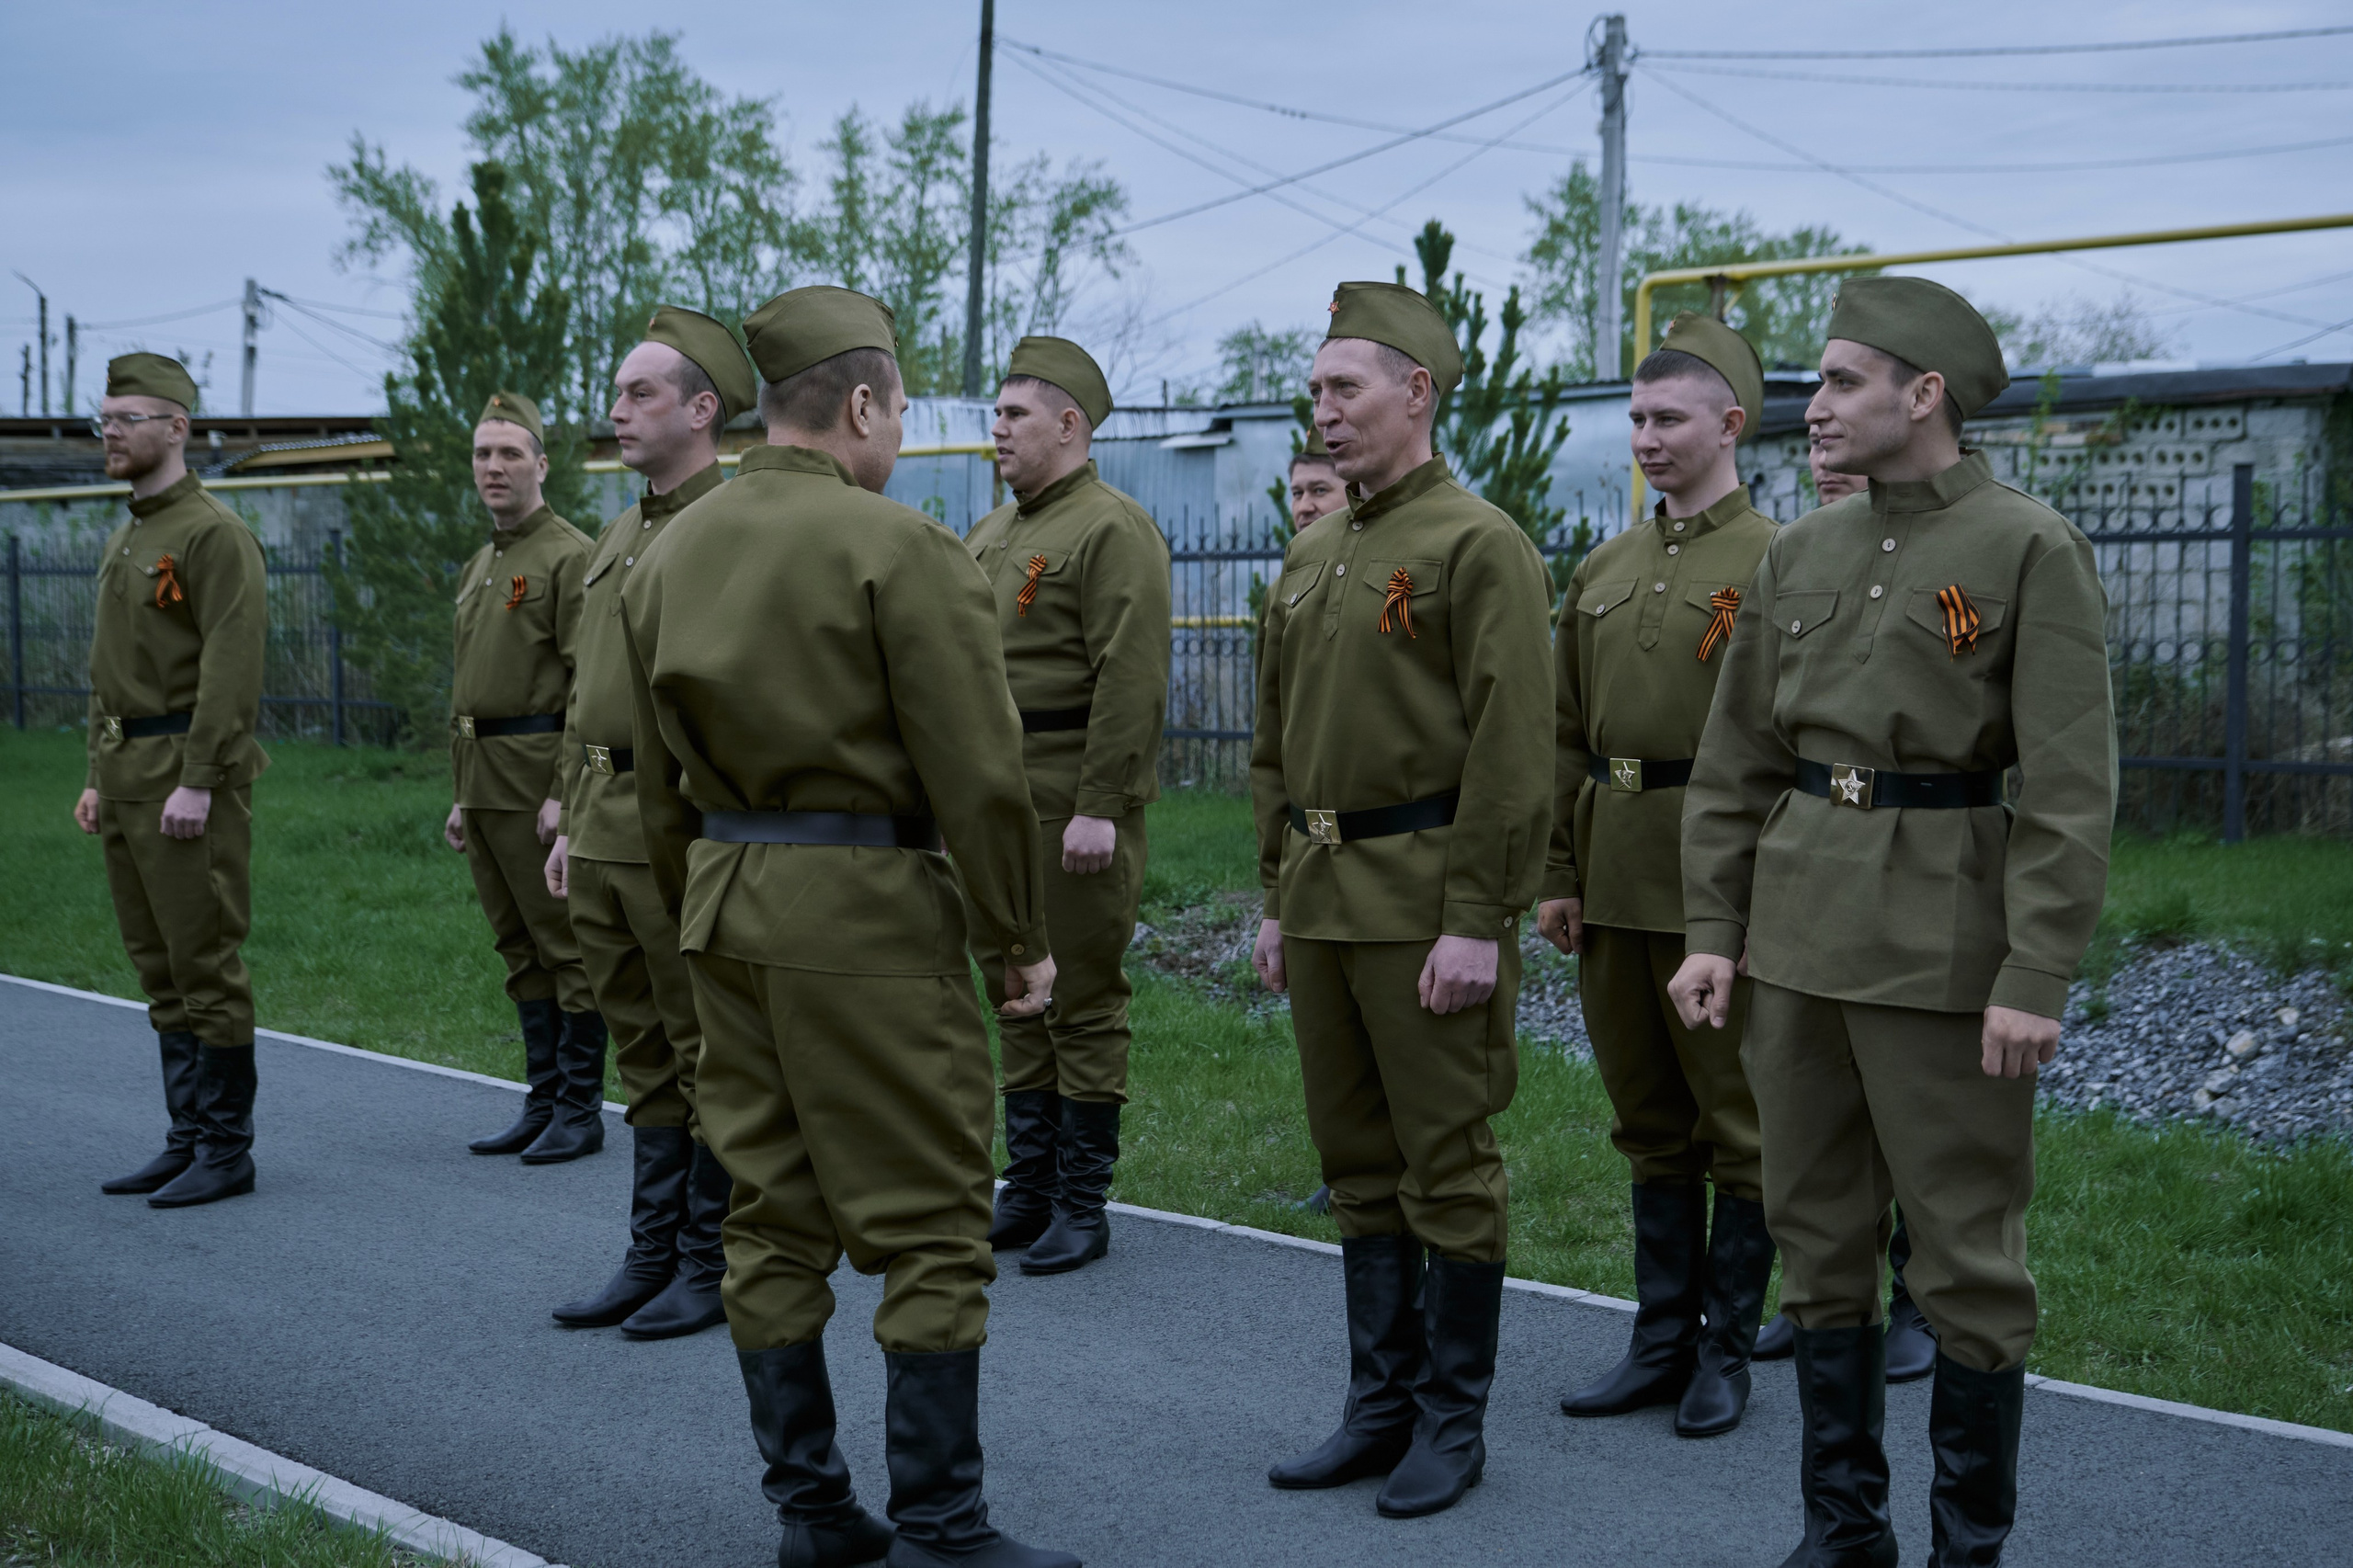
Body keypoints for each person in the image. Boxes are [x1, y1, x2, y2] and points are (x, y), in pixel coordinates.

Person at [621, 284, 1078, 1568]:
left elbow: (655, 786)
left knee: (767, 1217)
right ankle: (941, 1519)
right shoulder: (901, 547)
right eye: (898, 407)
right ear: (866, 403)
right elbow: (980, 775)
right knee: (935, 1219)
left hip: (724, 906)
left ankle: (812, 1513)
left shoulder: (668, 552)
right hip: (870, 918)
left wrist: (697, 911)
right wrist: (1016, 937)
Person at [1671, 277, 2117, 1566]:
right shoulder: (1798, 554)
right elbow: (1738, 761)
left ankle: (1965, 1548)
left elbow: (2072, 786)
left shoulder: (2027, 546)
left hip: (1944, 947)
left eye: (1844, 380)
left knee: (1967, 1260)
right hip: (1797, 946)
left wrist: (2036, 969)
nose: (1816, 407)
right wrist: (1713, 929)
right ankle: (1843, 1533)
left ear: (1925, 394)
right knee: (1818, 1241)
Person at [1252, 282, 1553, 1519]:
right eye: (1316, 390)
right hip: (1321, 899)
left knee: (1447, 1166)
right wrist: (1276, 892)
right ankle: (1378, 1406)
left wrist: (1478, 918)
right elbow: (1274, 741)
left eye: (1347, 389)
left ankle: (1450, 1420)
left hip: (1426, 901)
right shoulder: (1317, 549)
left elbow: (1513, 752)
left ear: (1417, 393)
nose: (1324, 412)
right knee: (1358, 1166)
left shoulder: (1478, 545)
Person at [1540, 313, 1778, 1438]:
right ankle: (1656, 1339)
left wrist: (1747, 900)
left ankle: (1724, 1351)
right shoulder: (1602, 565)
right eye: (1634, 417)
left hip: (1713, 879)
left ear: (1728, 424)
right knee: (1645, 1119)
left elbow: (1783, 746)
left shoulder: (1779, 557)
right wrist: (1555, 867)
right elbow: (1560, 731)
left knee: (1737, 1118)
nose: (1645, 437)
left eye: (1667, 417)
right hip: (1613, 865)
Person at [543, 310, 754, 1340]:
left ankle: (710, 1260)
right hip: (598, 823)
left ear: (702, 409)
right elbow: (586, 686)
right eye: (618, 393)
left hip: (678, 828)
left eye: (641, 394)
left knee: (704, 1046)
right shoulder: (621, 531)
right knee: (642, 1049)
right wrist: (563, 815)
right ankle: (651, 1250)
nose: (616, 411)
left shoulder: (728, 526)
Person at [965, 336, 1170, 1276]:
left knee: (1079, 992)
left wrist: (1101, 803)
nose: (996, 429)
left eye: (1013, 414)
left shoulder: (1109, 528)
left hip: (1069, 792)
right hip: (997, 799)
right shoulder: (991, 533)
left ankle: (1082, 1202)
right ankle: (1032, 1184)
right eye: (995, 414)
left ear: (1068, 424)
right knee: (1014, 985)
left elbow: (1128, 675)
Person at [1751, 437, 1934, 1385]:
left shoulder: (1932, 559)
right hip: (1814, 859)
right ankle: (1827, 1289)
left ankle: (1917, 1300)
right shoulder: (1801, 560)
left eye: (1842, 464)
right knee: (1817, 1114)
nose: (1826, 471)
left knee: (1909, 1110)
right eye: (1817, 468)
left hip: (1918, 867)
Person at [78, 353, 269, 1209]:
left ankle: (227, 1150)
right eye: (105, 420)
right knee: (157, 967)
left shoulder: (211, 535)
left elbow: (231, 671)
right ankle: (187, 1135)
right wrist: (95, 774)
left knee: (204, 963)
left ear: (177, 427)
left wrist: (198, 779)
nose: (110, 433)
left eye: (127, 419)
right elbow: (106, 672)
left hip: (182, 782)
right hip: (125, 778)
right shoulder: (128, 534)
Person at [449, 392, 600, 1165]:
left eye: (510, 453)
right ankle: (542, 1100)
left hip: (536, 785)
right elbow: (474, 687)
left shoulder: (567, 555)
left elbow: (587, 685)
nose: (494, 467)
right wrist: (459, 794)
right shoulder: (484, 563)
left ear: (541, 464)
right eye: (483, 454)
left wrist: (566, 797)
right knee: (518, 948)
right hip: (483, 783)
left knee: (565, 949)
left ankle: (580, 1107)